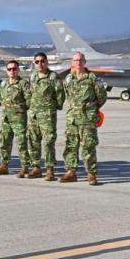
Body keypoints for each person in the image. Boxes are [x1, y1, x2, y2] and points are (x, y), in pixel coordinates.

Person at [60, 52, 107, 185]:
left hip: (87, 119)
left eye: (80, 60)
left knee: (88, 146)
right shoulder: (69, 79)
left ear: (85, 62)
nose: (78, 62)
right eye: (75, 60)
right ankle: (71, 172)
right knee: (70, 146)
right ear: (72, 62)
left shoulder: (92, 78)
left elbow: (101, 96)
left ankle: (91, 174)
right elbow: (68, 95)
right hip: (72, 119)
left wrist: (91, 109)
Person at [26, 52, 65, 180]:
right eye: (37, 62)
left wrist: (53, 108)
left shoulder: (53, 77)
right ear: (34, 63)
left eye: (42, 61)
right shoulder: (33, 77)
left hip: (47, 115)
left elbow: (60, 94)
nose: (40, 64)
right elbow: (30, 94)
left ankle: (49, 169)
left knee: (48, 142)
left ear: (47, 62)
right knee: (33, 141)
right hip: (34, 115)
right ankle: (36, 167)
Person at [0, 60, 29, 177]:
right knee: (4, 142)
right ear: (6, 71)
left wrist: (18, 110)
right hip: (6, 118)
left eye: (14, 69)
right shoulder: (3, 84)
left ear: (18, 70)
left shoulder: (23, 84)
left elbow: (28, 101)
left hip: (19, 119)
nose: (12, 71)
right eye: (9, 69)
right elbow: (0, 98)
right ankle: (4, 165)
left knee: (21, 143)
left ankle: (25, 167)